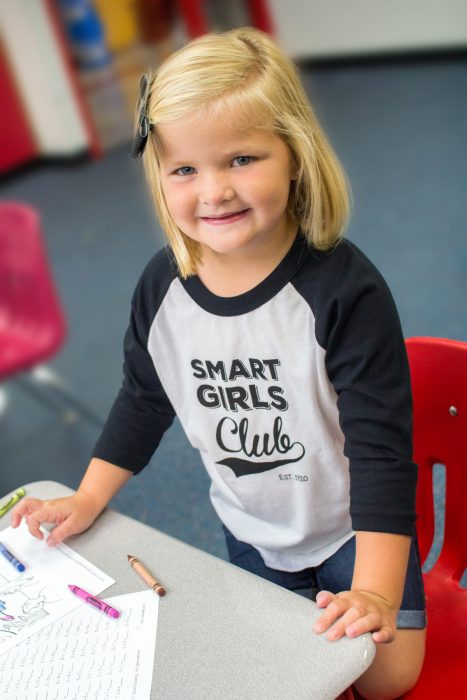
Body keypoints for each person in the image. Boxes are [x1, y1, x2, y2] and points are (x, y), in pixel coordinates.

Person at [12, 28, 426, 699]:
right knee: (286, 677)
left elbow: (381, 453)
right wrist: (88, 496)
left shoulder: (345, 292)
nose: (214, 191)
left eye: (240, 158)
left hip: (351, 526)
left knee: (386, 681)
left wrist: (375, 593)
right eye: (184, 169)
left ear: (293, 155)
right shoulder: (162, 288)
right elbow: (144, 399)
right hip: (254, 530)